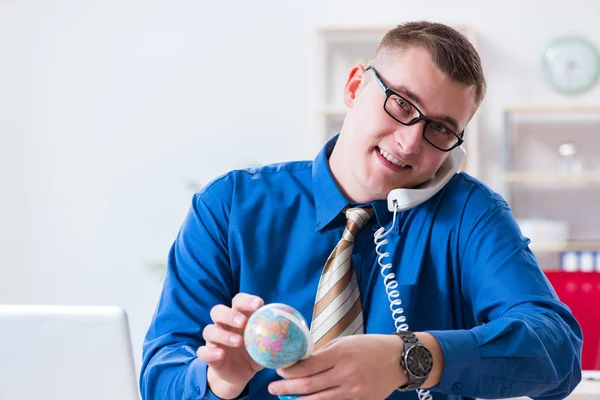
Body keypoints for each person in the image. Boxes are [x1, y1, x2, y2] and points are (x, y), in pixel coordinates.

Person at [140, 21, 583, 400]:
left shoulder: (471, 213)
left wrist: (410, 357)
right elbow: (161, 372)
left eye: (441, 128)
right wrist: (219, 379)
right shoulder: (230, 206)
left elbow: (558, 349)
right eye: (401, 104)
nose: (410, 142)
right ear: (355, 87)